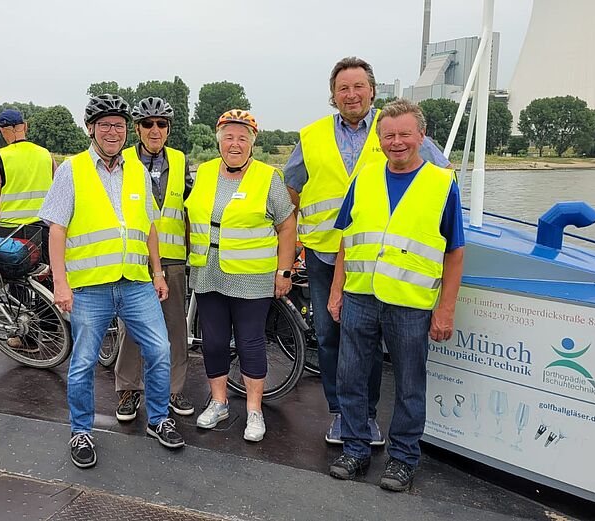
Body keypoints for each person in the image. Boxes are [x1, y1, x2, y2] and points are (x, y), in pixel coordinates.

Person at [283, 56, 452, 446]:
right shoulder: (312, 136)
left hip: (384, 261)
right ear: (333, 96)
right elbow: (290, 191)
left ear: (372, 90)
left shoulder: (395, 129)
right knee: (328, 337)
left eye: (359, 86)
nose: (352, 94)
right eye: (343, 88)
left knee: (369, 340)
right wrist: (289, 249)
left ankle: (368, 415)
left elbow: (441, 177)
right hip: (327, 256)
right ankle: (341, 413)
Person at [326, 99, 465, 491]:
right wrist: (336, 291)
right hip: (360, 296)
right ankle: (355, 448)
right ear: (379, 138)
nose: (397, 142)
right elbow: (346, 241)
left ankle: (403, 458)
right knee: (350, 376)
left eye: (405, 134)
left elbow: (455, 251)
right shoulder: (365, 177)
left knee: (408, 383)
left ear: (421, 136)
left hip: (409, 303)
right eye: (389, 135)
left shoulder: (441, 184)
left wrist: (445, 311)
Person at [40, 94, 185, 469]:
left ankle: (157, 419)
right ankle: (81, 431)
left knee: (159, 350)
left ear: (127, 131)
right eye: (104, 125)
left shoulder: (136, 169)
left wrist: (157, 272)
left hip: (136, 282)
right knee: (84, 362)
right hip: (90, 286)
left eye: (118, 126)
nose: (112, 132)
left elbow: (149, 226)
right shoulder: (71, 170)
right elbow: (57, 230)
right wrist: (61, 283)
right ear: (91, 129)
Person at [185, 110, 297, 443]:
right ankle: (218, 402)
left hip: (251, 276)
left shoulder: (267, 177)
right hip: (208, 272)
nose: (235, 144)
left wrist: (284, 270)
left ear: (252, 143)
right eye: (229, 137)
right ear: (219, 141)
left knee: (250, 343)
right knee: (215, 342)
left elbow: (287, 225)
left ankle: (253, 410)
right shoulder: (204, 172)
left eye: (242, 138)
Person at [114, 97, 195, 422]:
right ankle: (129, 390)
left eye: (161, 124)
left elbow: (191, 210)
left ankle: (173, 389)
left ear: (169, 129)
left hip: (173, 260)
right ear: (137, 128)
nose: (155, 130)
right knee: (131, 329)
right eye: (148, 124)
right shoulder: (121, 162)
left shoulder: (179, 160)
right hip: (133, 259)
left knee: (175, 328)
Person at [0, 108, 57, 255]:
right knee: (44, 273)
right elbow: (58, 191)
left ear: (1, 130)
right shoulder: (46, 155)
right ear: (25, 126)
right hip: (43, 228)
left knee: (10, 273)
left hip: (10, 232)